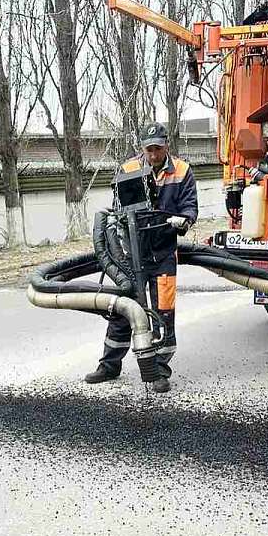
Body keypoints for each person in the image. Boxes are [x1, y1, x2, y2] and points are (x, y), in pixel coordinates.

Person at [84, 123, 199, 393]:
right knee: (124, 309)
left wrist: (184, 220)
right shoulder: (129, 169)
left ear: (166, 145)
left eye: (158, 148)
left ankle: (158, 371)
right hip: (132, 253)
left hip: (163, 252)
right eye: (149, 149)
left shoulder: (182, 171)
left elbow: (190, 206)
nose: (154, 154)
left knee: (163, 312)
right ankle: (109, 365)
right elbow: (118, 207)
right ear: (142, 148)